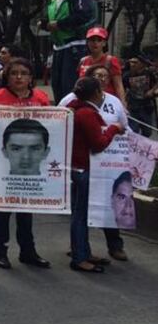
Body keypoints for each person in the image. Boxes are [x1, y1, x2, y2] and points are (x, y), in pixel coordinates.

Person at [59, 63, 131, 262]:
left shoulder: (76, 109)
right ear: (97, 92)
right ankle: (80, 257)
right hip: (84, 168)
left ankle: (83, 251)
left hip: (86, 167)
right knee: (81, 215)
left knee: (82, 212)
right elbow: (98, 144)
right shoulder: (86, 113)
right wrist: (113, 129)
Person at [41, 0, 94, 102]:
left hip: (73, 45)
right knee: (56, 83)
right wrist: (44, 23)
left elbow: (83, 15)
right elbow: (47, 16)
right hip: (58, 46)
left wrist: (59, 24)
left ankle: (71, 110)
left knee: (68, 83)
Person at [77, 26, 127, 103]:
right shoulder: (83, 61)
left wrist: (123, 105)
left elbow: (118, 86)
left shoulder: (111, 60)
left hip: (106, 103)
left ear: (104, 43)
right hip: (86, 102)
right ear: (87, 42)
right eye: (92, 40)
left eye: (99, 40)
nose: (95, 43)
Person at [124, 56, 158, 136]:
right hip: (133, 106)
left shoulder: (149, 73)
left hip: (146, 106)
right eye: (131, 62)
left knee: (147, 132)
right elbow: (123, 89)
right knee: (133, 131)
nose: (132, 64)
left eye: (135, 62)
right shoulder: (126, 76)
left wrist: (152, 91)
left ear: (142, 64)